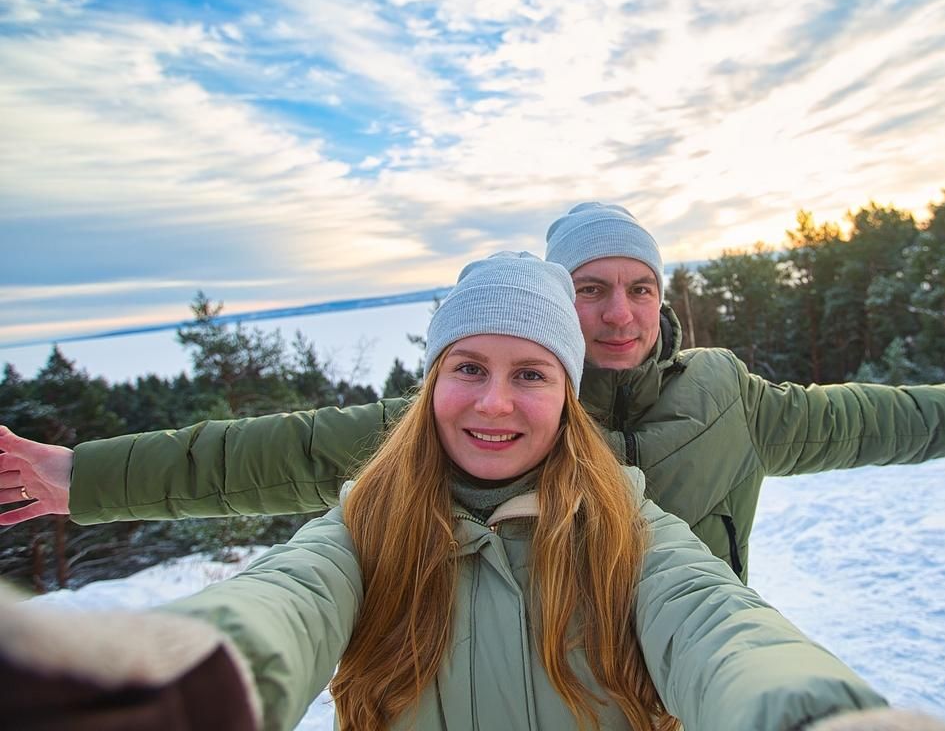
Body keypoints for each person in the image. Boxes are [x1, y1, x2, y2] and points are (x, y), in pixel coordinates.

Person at [3, 252, 894, 731]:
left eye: (533, 376)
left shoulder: (628, 522)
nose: (495, 402)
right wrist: (177, 684)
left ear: (566, 393)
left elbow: (719, 627)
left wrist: (811, 715)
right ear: (431, 380)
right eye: (467, 367)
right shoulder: (368, 519)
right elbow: (281, 598)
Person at [0, 202, 945, 583]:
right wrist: (78, 473)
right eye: (592, 289)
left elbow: (868, 417)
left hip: (691, 688)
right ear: (560, 295)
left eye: (640, 289)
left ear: (664, 300)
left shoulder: (732, 395)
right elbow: (261, 453)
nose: (619, 312)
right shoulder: (492, 407)